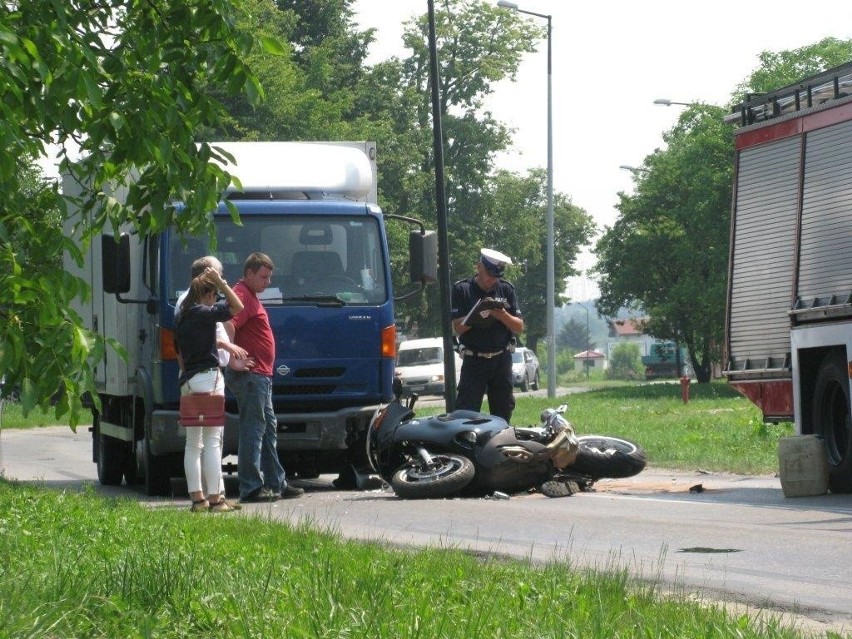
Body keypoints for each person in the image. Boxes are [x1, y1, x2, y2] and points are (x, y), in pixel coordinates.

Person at [224, 252, 304, 502]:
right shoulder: (241, 295)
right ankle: (250, 487)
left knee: (268, 428)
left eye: (269, 277)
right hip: (251, 375)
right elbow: (227, 324)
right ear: (248, 273)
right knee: (254, 429)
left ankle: (276, 482)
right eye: (263, 277)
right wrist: (232, 358)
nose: (267, 282)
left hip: (260, 375)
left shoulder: (250, 295)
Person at [176, 256, 253, 509]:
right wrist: (222, 283)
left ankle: (197, 498)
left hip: (188, 381)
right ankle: (215, 499)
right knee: (212, 441)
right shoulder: (204, 313)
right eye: (213, 296)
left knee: (192, 442)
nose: (215, 301)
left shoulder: (182, 313)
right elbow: (238, 306)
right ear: (207, 294)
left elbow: (178, 351)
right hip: (209, 378)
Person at [451, 248, 525, 422]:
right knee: (465, 413)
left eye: (496, 277)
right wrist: (478, 314)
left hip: (501, 359)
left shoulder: (506, 289)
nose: (493, 281)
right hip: (474, 360)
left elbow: (519, 326)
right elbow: (457, 328)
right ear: (479, 267)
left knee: (503, 413)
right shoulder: (462, 289)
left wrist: (502, 315)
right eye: (489, 275)